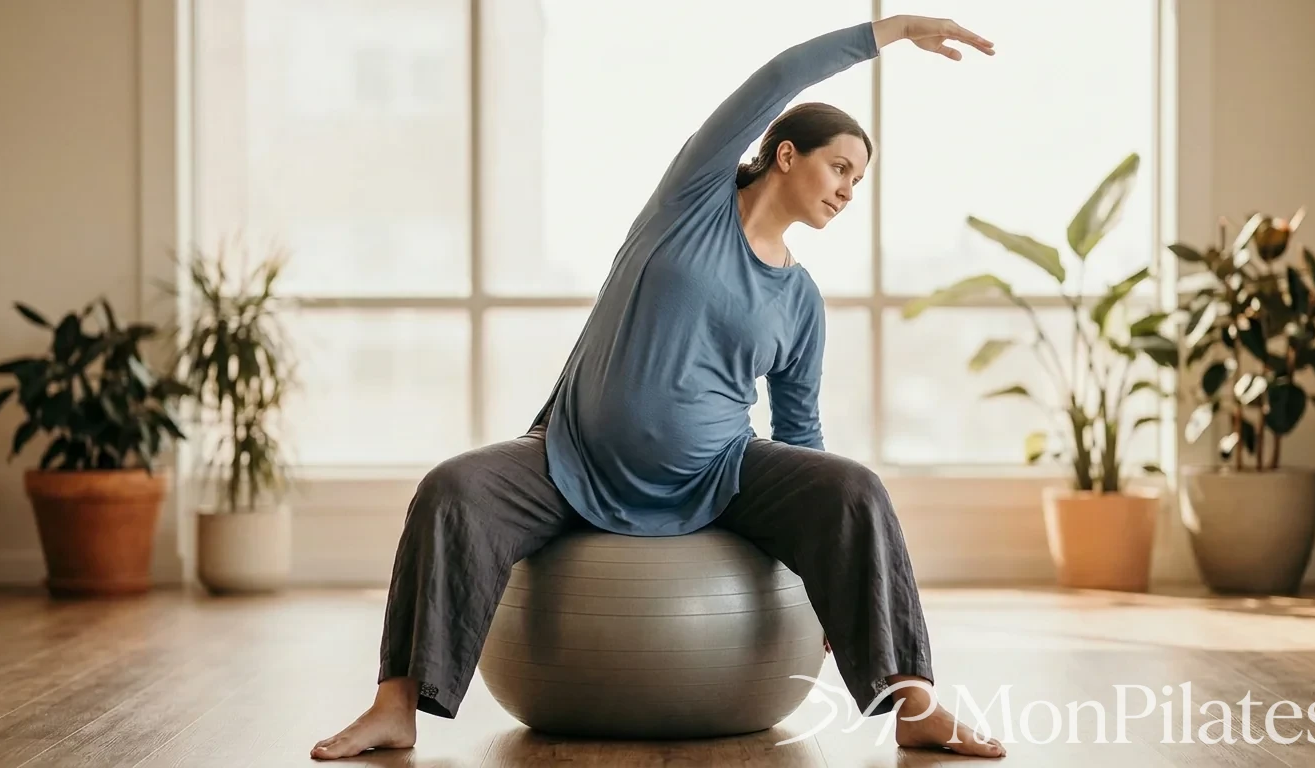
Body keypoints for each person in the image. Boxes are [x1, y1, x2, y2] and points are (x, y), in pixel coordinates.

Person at [312, 12, 1004, 761]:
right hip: (567, 460)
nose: (847, 190)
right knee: (451, 490)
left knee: (854, 490)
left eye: (858, 181)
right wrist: (892, 30)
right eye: (839, 168)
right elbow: (776, 79)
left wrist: (826, 560)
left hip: (720, 473)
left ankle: (914, 701)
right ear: (782, 154)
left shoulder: (800, 299)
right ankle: (395, 705)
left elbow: (799, 430)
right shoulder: (692, 203)